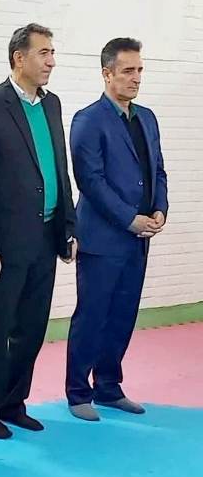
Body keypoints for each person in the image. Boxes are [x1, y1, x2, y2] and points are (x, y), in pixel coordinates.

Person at [0, 23, 77, 439]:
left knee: (31, 327)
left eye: (52, 53)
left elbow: (59, 168)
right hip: (4, 242)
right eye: (44, 53)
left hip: (46, 236)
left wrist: (68, 226)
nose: (51, 61)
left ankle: (14, 403)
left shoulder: (52, 104)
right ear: (19, 57)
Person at [65, 38, 168, 422]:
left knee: (123, 314)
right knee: (93, 315)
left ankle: (109, 386)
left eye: (139, 70)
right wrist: (129, 218)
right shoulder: (88, 120)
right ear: (107, 74)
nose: (136, 77)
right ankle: (78, 392)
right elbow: (90, 181)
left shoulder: (147, 118)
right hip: (103, 238)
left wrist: (160, 209)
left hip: (138, 239)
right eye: (127, 70)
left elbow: (158, 169)